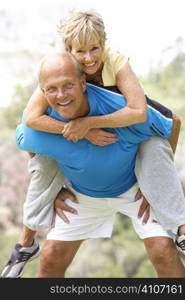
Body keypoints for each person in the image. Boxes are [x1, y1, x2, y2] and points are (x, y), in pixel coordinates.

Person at [1, 10, 185, 278]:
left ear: (104, 44)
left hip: (132, 178)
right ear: (68, 50)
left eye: (94, 49)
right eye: (80, 51)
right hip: (82, 191)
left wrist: (155, 184)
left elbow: (153, 117)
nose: (88, 58)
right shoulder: (58, 76)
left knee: (154, 148)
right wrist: (56, 182)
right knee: (42, 161)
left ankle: (180, 228)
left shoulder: (116, 63)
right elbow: (30, 124)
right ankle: (25, 244)